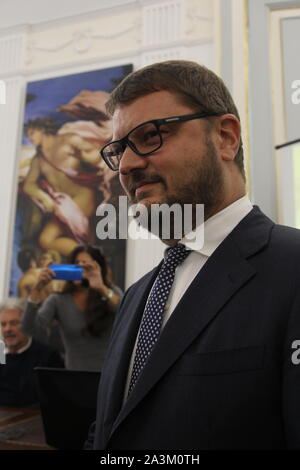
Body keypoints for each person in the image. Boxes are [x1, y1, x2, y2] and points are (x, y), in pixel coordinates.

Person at [89, 60, 300, 450]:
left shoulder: (293, 269)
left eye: (151, 135)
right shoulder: (137, 293)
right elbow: (109, 427)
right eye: (118, 150)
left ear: (224, 137)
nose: (129, 165)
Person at [21, 245, 122, 372]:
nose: (80, 268)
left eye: (85, 264)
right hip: (74, 377)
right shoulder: (58, 300)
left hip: (109, 377)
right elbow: (29, 328)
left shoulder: (110, 293)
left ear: (98, 267)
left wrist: (101, 288)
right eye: (76, 264)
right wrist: (37, 289)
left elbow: (126, 315)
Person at [22, 117, 109, 256]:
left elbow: (97, 155)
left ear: (42, 129)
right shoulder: (38, 160)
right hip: (63, 204)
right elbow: (28, 184)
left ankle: (90, 259)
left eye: (32, 133)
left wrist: (84, 156)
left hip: (83, 196)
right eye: (28, 135)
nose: (30, 137)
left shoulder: (68, 140)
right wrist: (44, 198)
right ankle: (89, 258)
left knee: (46, 239)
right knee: (45, 240)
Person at [0, 298, 64, 407]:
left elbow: (55, 400)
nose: (7, 329)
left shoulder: (48, 356)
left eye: (14, 323)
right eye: (3, 324)